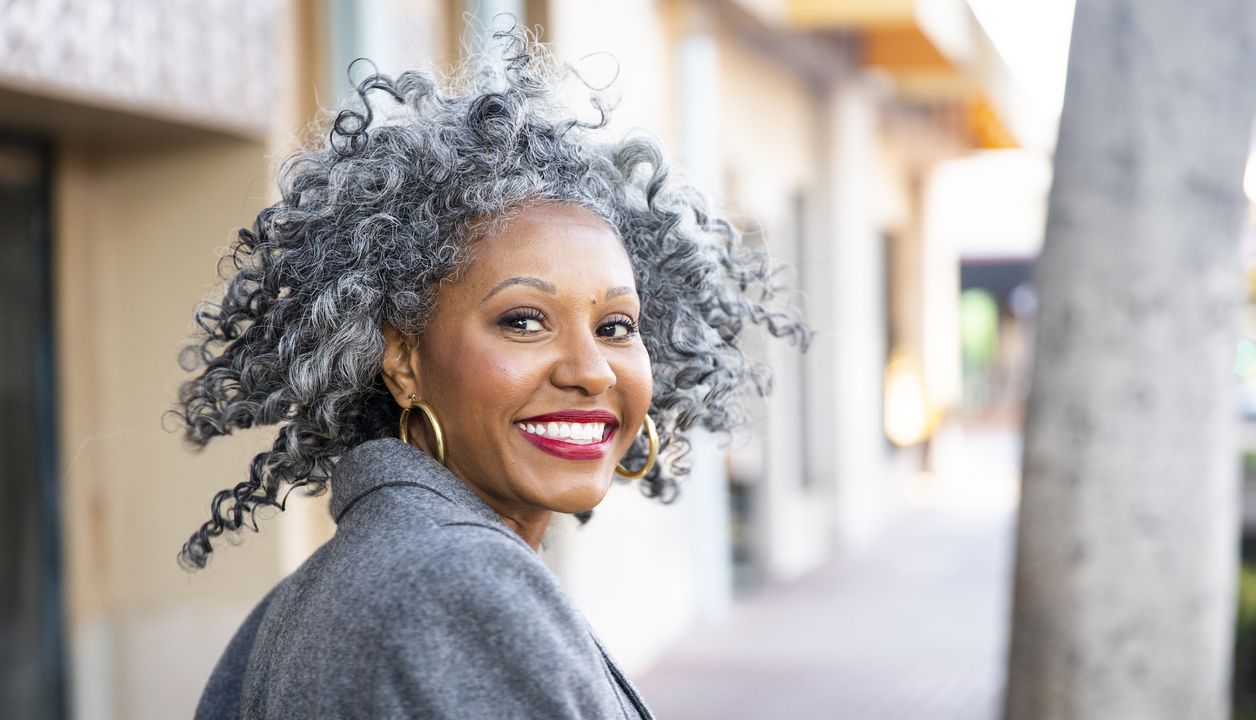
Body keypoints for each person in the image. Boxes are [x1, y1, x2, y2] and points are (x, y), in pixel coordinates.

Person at [175, 25, 806, 719]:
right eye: (524, 320)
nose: (591, 371)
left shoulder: (293, 608)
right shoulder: (458, 586)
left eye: (616, 326)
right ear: (403, 359)